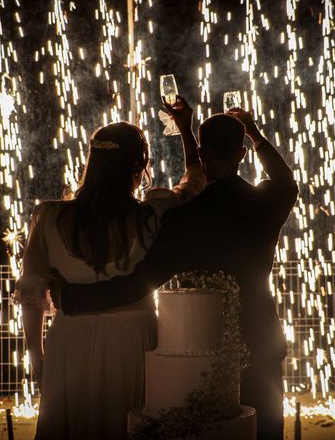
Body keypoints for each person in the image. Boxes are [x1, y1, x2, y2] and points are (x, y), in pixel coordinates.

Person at [52, 108, 299, 439]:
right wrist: (254, 133)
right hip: (260, 334)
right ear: (242, 153)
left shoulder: (184, 217)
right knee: (265, 428)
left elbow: (141, 282)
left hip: (198, 341)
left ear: (201, 153)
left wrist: (74, 297)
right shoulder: (267, 202)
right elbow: (286, 180)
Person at [13, 97, 205, 439]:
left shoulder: (48, 216)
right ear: (137, 166)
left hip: (68, 341)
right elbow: (195, 181)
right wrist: (185, 131)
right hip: (131, 342)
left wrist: (37, 357)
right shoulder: (151, 215)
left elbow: (31, 294)